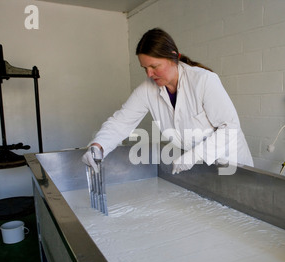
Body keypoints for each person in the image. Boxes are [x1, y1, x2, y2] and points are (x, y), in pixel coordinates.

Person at [82, 28, 253, 174]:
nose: (149, 74)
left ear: (173, 58)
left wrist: (195, 155)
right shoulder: (147, 90)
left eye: (154, 67)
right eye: (145, 68)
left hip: (232, 164)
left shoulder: (203, 81)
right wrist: (98, 146)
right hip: (199, 168)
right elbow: (121, 122)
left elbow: (230, 127)